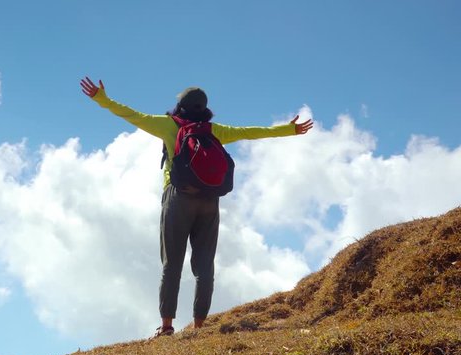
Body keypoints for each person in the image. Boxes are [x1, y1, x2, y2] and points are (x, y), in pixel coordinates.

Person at [80, 77, 313, 337]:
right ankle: (199, 325)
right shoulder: (214, 131)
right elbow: (251, 131)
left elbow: (132, 115)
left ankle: (167, 326)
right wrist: (288, 130)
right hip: (209, 200)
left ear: (180, 105)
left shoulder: (168, 125)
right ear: (204, 108)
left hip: (178, 197)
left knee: (172, 263)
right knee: (204, 265)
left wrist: (102, 99)